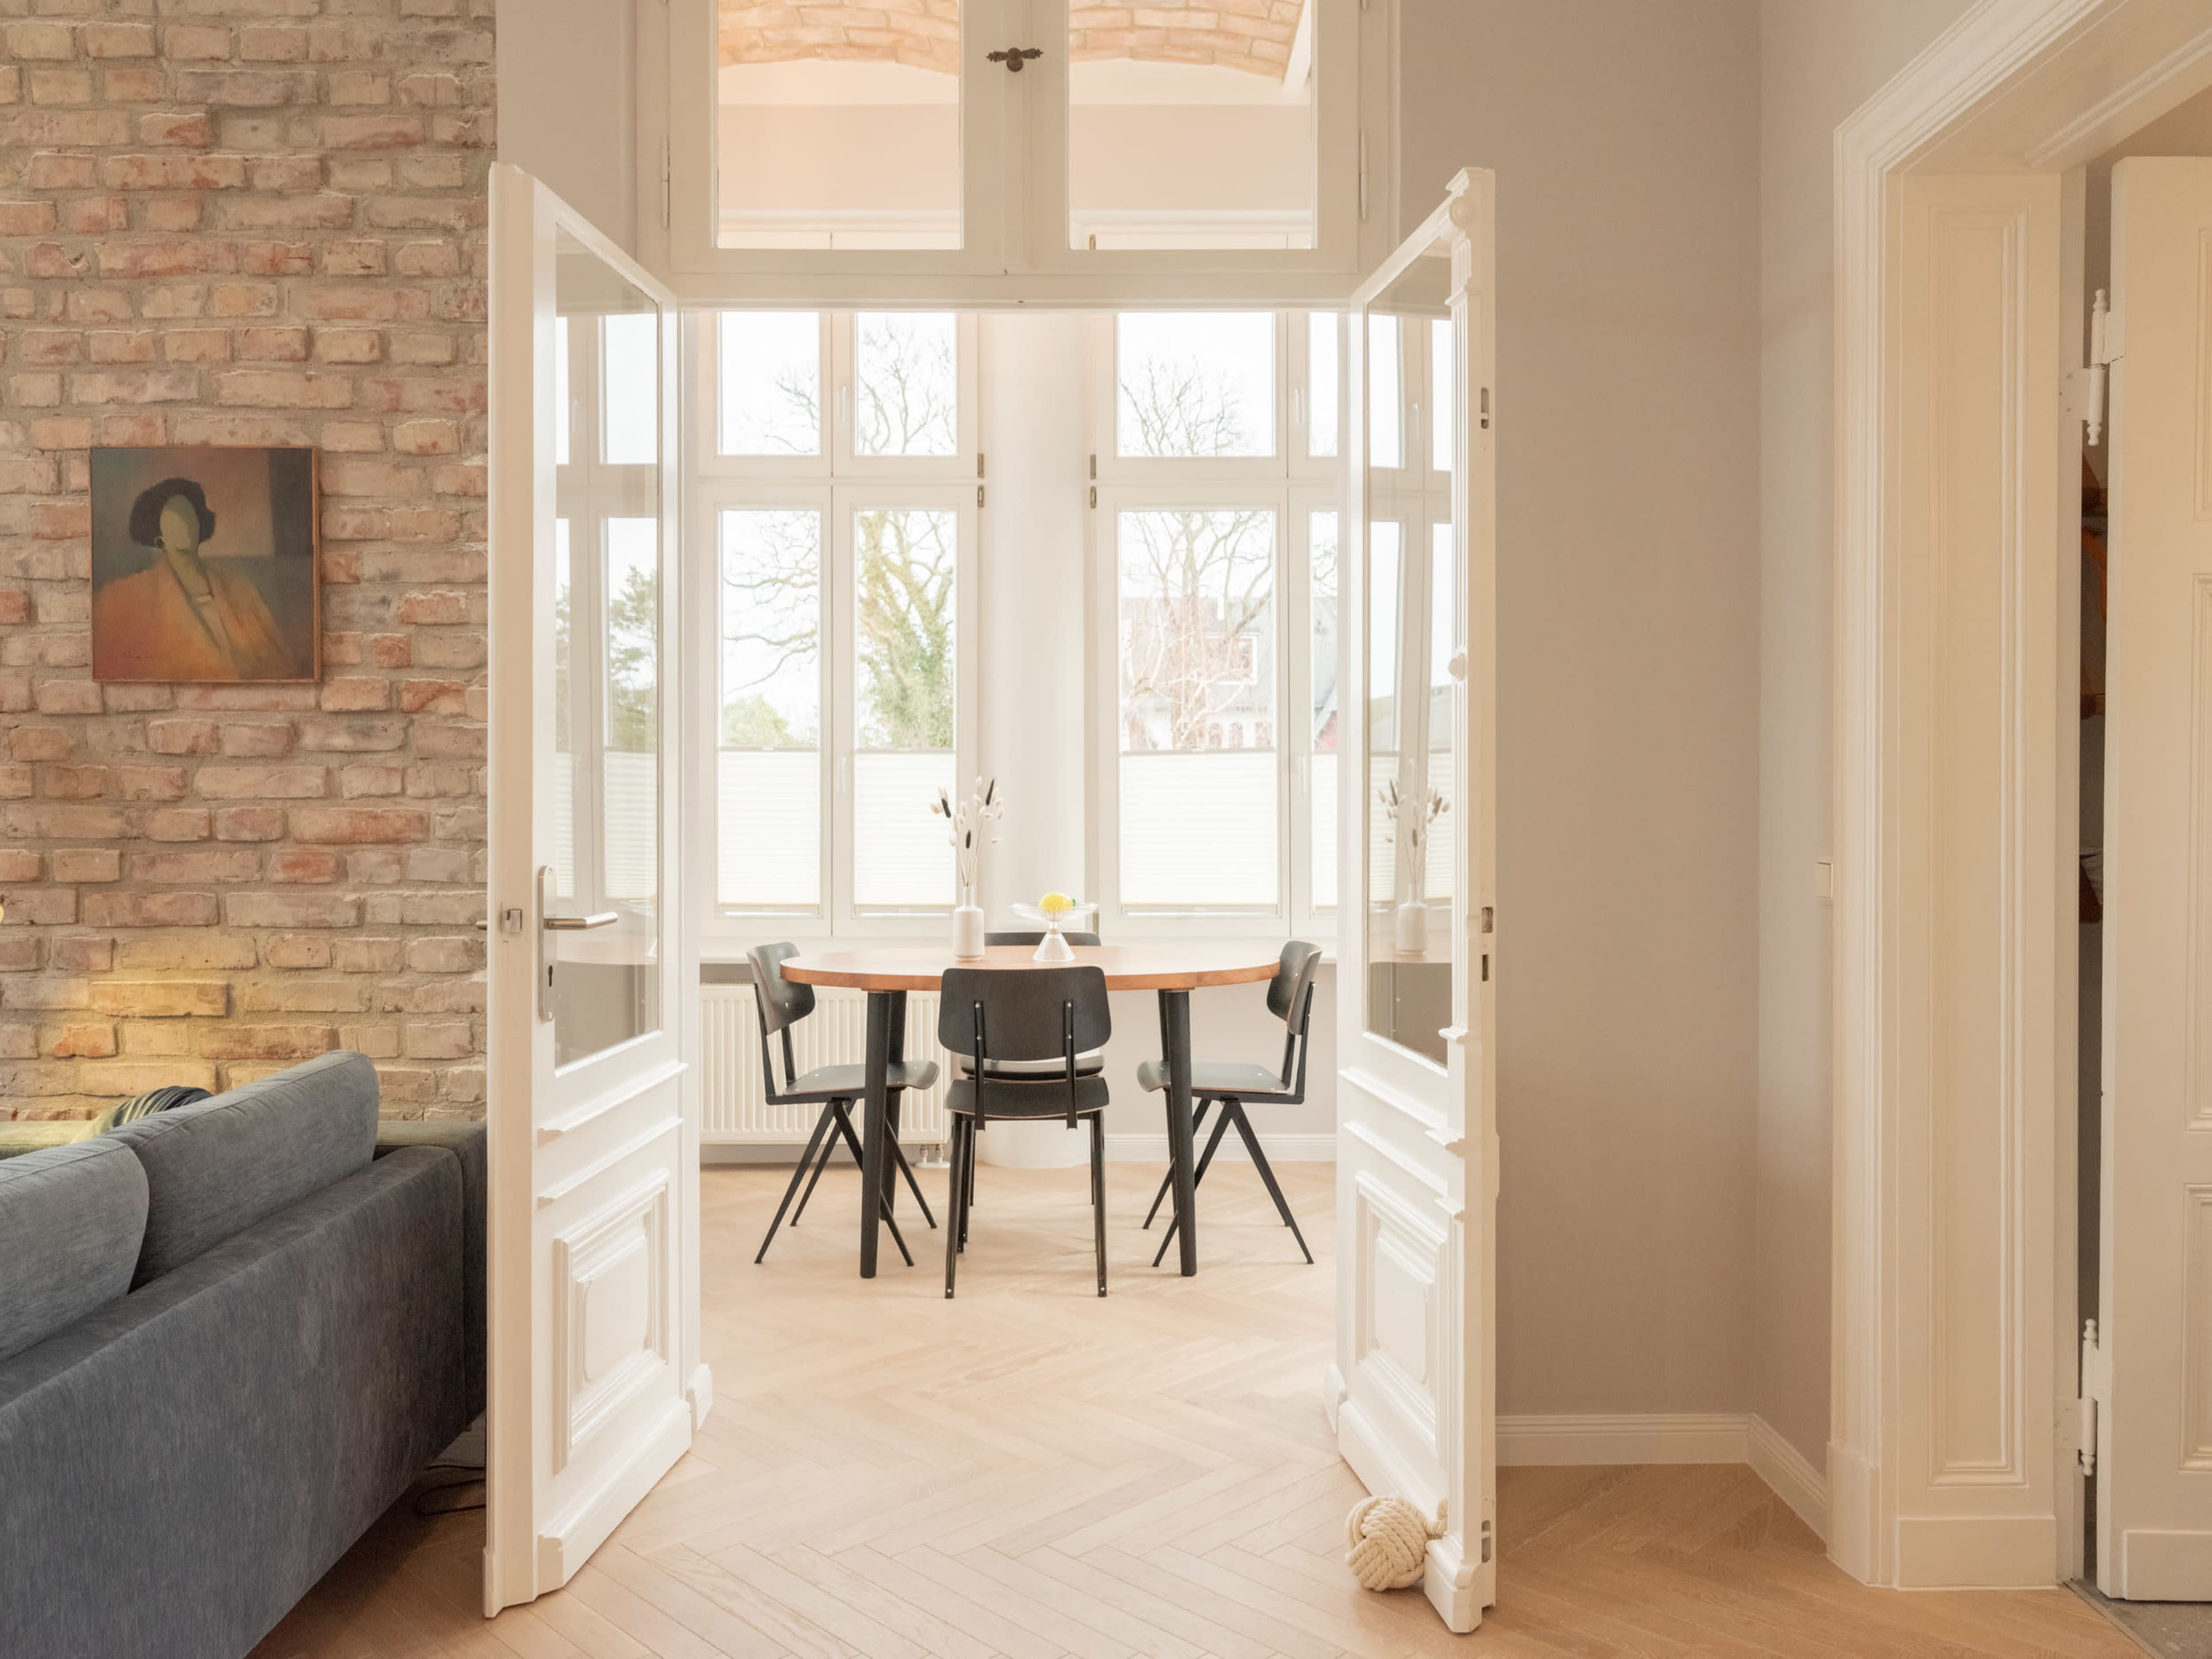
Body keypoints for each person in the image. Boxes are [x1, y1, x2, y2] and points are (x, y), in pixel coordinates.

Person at [93, 478, 301, 681]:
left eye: (189, 515)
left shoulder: (241, 588)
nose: (184, 524)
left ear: (200, 523)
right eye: (174, 519)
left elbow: (281, 663)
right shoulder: (127, 596)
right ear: (159, 535)